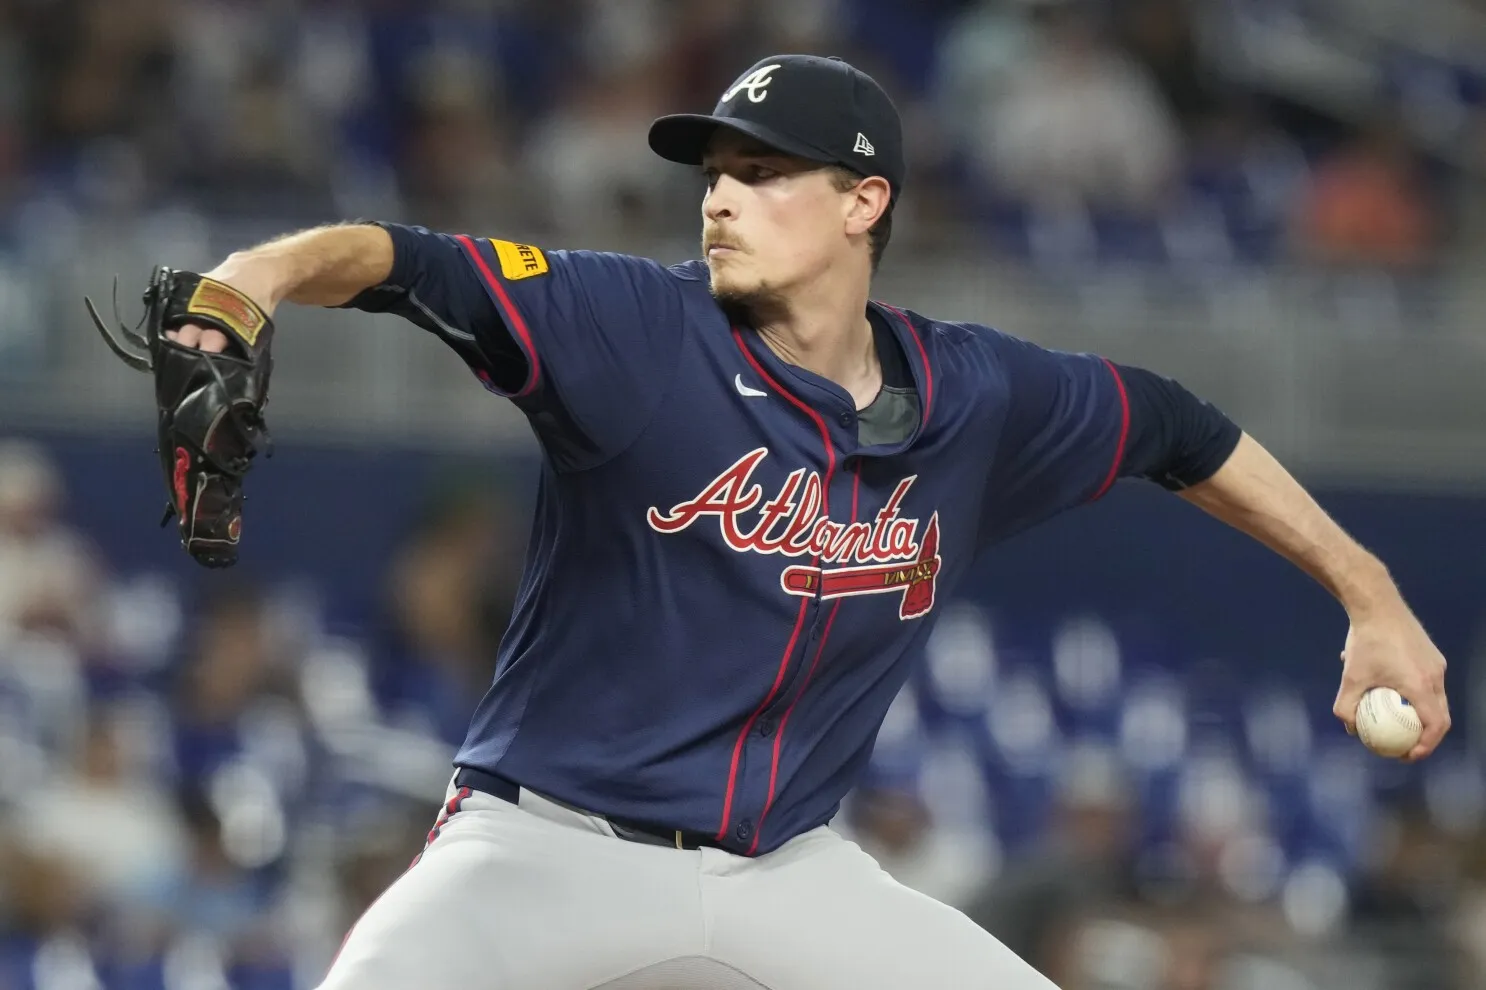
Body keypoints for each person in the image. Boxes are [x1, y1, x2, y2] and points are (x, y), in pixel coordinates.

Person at [161, 54, 1449, 990]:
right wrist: (254, 278)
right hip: (542, 845)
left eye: (762, 173)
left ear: (863, 203)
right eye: (714, 173)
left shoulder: (975, 395)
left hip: (785, 873)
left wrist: (1368, 590)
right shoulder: (631, 330)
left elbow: (1178, 428)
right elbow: (404, 262)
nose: (718, 197)